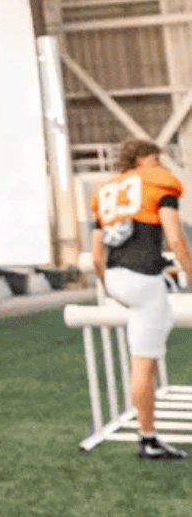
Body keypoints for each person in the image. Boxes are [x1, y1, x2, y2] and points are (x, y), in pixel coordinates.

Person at [91, 139, 192, 460]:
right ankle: (148, 439)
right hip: (144, 279)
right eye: (154, 157)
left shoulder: (106, 191)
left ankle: (148, 428)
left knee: (152, 341)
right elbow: (175, 239)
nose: (160, 163)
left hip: (117, 278)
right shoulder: (159, 184)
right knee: (144, 361)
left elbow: (96, 254)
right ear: (140, 159)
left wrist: (110, 286)